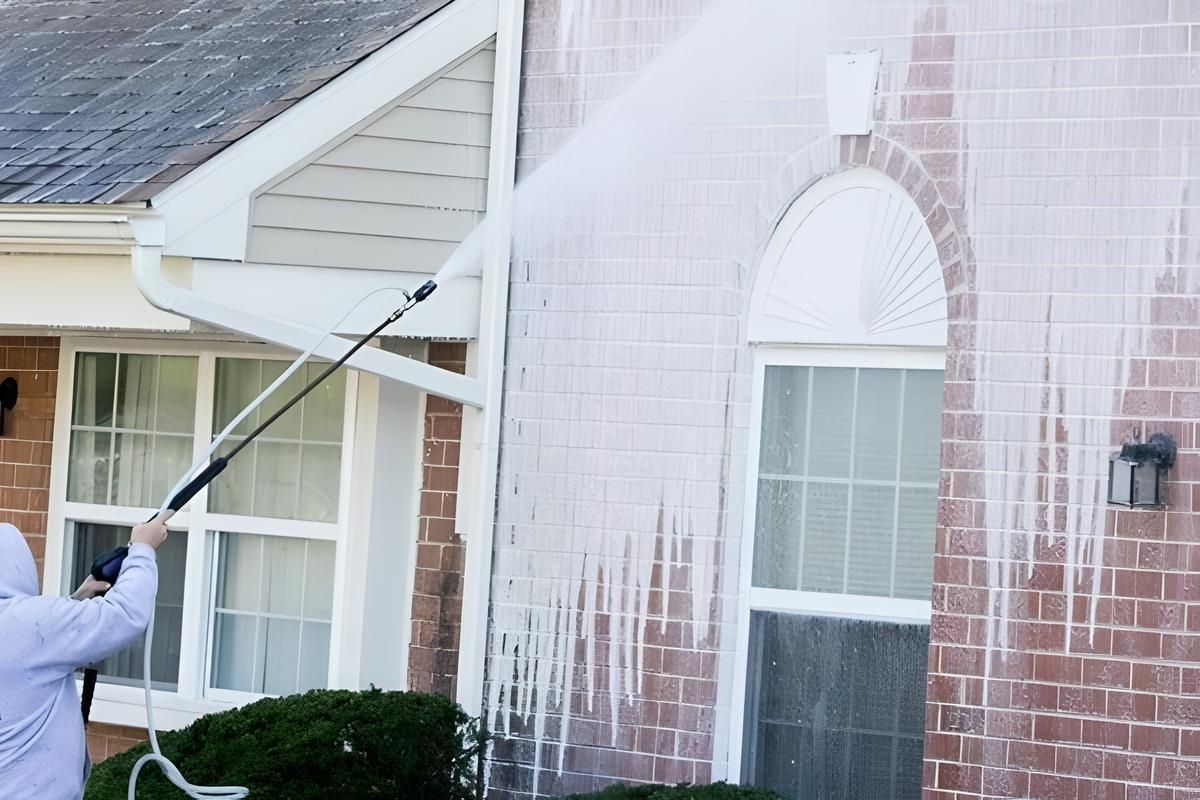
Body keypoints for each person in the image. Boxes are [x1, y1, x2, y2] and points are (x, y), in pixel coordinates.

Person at [0, 518, 166, 800]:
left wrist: (77, 601)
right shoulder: (28, 623)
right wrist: (143, 549)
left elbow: (32, 651)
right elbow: (124, 615)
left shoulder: (27, 628)